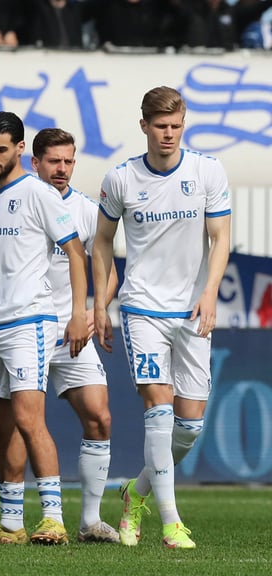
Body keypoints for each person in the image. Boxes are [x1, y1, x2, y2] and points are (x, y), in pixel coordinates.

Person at [0, 128, 120, 545]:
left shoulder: (66, 204)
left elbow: (89, 259)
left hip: (53, 325)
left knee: (82, 417)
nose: (62, 169)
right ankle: (1, 521)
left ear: (17, 151)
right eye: (55, 161)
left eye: (69, 161)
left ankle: (68, 519)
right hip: (2, 326)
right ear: (36, 160)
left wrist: (86, 313)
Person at [93, 86, 232, 550]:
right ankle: (171, 523)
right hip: (142, 308)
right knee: (160, 411)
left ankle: (136, 493)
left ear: (183, 124)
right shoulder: (121, 178)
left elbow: (220, 238)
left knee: (189, 427)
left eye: (175, 126)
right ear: (144, 126)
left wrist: (210, 293)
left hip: (193, 310)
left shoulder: (207, 171)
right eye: (160, 126)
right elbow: (101, 242)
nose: (168, 134)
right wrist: (99, 304)